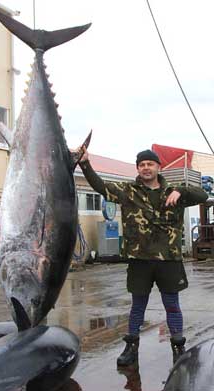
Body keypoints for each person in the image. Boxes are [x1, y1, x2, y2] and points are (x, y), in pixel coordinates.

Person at [78, 148, 208, 366]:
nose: (146, 167)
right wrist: (85, 164)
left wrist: (182, 192)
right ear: (137, 168)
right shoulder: (128, 191)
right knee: (137, 306)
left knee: (172, 305)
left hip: (169, 260)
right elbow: (100, 186)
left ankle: (178, 347)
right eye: (142, 164)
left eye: (150, 163)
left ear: (158, 167)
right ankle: (131, 347)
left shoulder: (173, 191)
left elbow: (203, 195)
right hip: (139, 260)